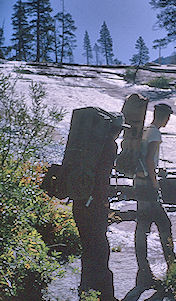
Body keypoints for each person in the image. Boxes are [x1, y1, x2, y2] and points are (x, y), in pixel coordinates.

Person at [72, 111, 128, 301]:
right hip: (95, 205)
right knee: (100, 248)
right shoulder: (109, 146)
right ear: (116, 130)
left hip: (80, 200)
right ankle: (105, 295)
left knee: (88, 246)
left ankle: (86, 289)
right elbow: (103, 177)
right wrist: (105, 202)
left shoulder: (89, 144)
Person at [133, 103, 176, 288]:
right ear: (164, 117)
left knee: (142, 226)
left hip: (138, 182)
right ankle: (172, 267)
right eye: (168, 117)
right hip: (147, 185)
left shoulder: (144, 130)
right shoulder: (155, 133)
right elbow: (150, 159)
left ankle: (143, 271)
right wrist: (155, 182)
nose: (168, 121)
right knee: (164, 223)